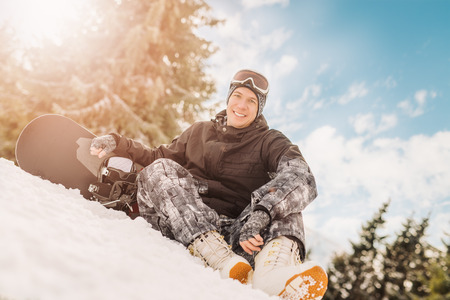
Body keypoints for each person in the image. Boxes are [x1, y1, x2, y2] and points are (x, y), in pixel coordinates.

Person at [90, 69, 328, 299]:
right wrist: (119, 143)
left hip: (239, 237)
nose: (242, 106)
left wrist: (261, 213)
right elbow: (156, 158)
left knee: (286, 198)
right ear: (228, 98)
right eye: (237, 96)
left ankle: (272, 275)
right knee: (161, 168)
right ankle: (219, 259)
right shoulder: (199, 131)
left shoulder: (269, 141)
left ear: (259, 109)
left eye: (251, 101)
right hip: (184, 221)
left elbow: (302, 176)